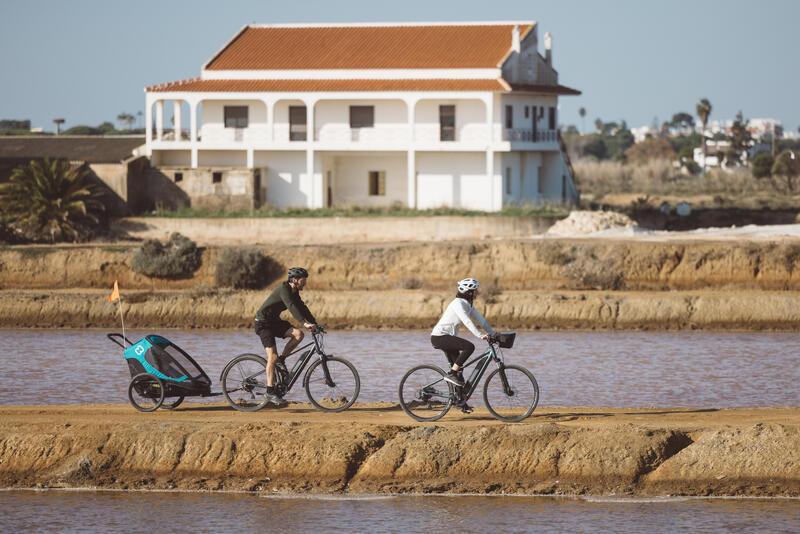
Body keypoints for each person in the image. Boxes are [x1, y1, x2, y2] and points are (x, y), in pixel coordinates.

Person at [430, 277, 496, 413]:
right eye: (475, 290)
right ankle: (451, 373)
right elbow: (466, 320)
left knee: (459, 372)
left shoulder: (467, 304)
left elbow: (481, 320)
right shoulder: (458, 304)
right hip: (440, 337)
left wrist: (492, 333)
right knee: (469, 347)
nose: (477, 292)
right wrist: (479, 335)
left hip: (447, 337)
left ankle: (461, 402)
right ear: (469, 292)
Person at [254, 267, 318, 404]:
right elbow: (291, 306)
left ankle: (281, 360)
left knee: (298, 334)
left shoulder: (294, 291)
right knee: (272, 357)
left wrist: (314, 323)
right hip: (263, 324)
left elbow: (302, 307)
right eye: (303, 280)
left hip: (274, 322)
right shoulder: (284, 289)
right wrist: (303, 323)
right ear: (295, 280)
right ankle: (270, 392)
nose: (305, 282)